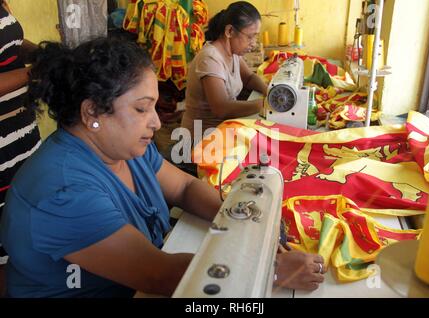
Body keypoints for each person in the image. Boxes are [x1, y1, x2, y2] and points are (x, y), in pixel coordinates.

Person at [0, 38, 325, 298]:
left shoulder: (123, 148)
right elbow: (160, 274)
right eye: (142, 109)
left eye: (153, 106)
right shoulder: (63, 192)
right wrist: (273, 269)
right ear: (92, 113)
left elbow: (183, 187)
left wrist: (242, 222)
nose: (156, 122)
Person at [0, 0, 41, 296]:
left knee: (27, 215)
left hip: (20, 130)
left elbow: (10, 44)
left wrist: (43, 53)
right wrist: (34, 72)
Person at [181, 1, 268, 140]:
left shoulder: (232, 53)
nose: (254, 43)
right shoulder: (210, 59)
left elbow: (249, 78)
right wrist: (264, 104)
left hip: (222, 131)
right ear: (229, 31)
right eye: (250, 36)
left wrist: (268, 91)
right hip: (200, 140)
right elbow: (221, 108)